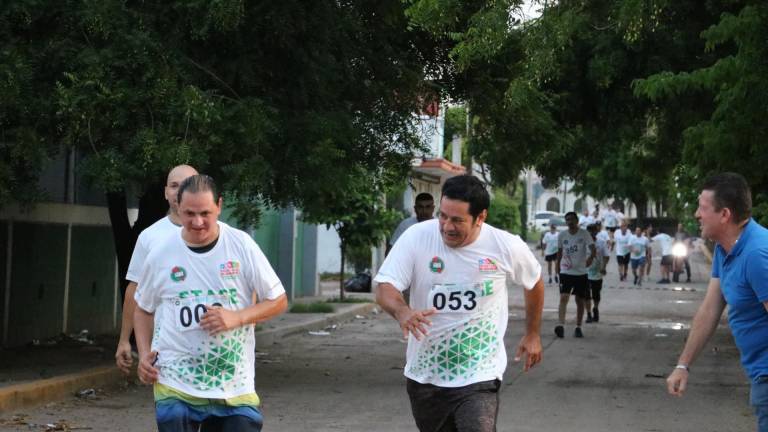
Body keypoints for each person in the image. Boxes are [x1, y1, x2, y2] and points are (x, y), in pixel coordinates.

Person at [374, 175, 544, 432]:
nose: (446, 226)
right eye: (443, 216)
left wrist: (532, 333)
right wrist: (402, 311)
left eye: (457, 220)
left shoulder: (505, 246)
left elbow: (534, 282)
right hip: (426, 376)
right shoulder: (416, 237)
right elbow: (386, 287)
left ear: (481, 217)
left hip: (480, 372)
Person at [134, 175, 288, 431]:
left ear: (219, 205)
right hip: (175, 380)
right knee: (171, 418)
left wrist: (236, 318)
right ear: (177, 209)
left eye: (205, 213)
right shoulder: (161, 252)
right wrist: (143, 354)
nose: (197, 222)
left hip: (232, 383)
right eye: (189, 213)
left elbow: (278, 300)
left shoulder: (241, 245)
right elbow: (142, 308)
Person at [666, 173, 768, 431]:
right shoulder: (726, 249)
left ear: (724, 214)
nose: (697, 215)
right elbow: (710, 310)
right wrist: (683, 365)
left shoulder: (757, 255)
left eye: (702, 208)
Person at [115, 164, 198, 374]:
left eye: (187, 185)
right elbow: (135, 291)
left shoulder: (223, 236)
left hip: (209, 348)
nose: (180, 192)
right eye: (174, 185)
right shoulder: (150, 237)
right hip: (167, 350)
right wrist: (125, 339)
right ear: (165, 192)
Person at [555, 211, 596, 338]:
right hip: (566, 271)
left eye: (572, 219)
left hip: (580, 273)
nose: (570, 222)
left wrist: (590, 259)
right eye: (567, 220)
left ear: (577, 221)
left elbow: (593, 248)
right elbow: (560, 252)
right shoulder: (562, 235)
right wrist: (557, 267)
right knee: (563, 298)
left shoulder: (584, 234)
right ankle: (561, 325)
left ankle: (578, 327)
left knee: (580, 300)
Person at [585, 224, 609, 323]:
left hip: (597, 273)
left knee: (596, 294)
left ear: (596, 232)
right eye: (589, 232)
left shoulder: (601, 242)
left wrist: (603, 267)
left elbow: (606, 256)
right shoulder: (583, 243)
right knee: (586, 295)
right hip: (585, 272)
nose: (591, 234)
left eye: (593, 231)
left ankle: (595, 308)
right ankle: (588, 314)